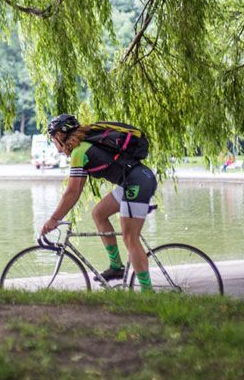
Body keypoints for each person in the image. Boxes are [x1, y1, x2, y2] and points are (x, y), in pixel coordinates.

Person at [40, 114, 158, 290]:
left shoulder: (80, 151)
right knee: (99, 214)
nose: (54, 143)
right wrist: (56, 218)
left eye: (53, 138)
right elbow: (76, 190)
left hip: (138, 183)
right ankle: (116, 267)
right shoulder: (82, 149)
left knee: (130, 237)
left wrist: (54, 218)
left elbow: (71, 193)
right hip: (132, 181)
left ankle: (148, 293)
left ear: (60, 135)